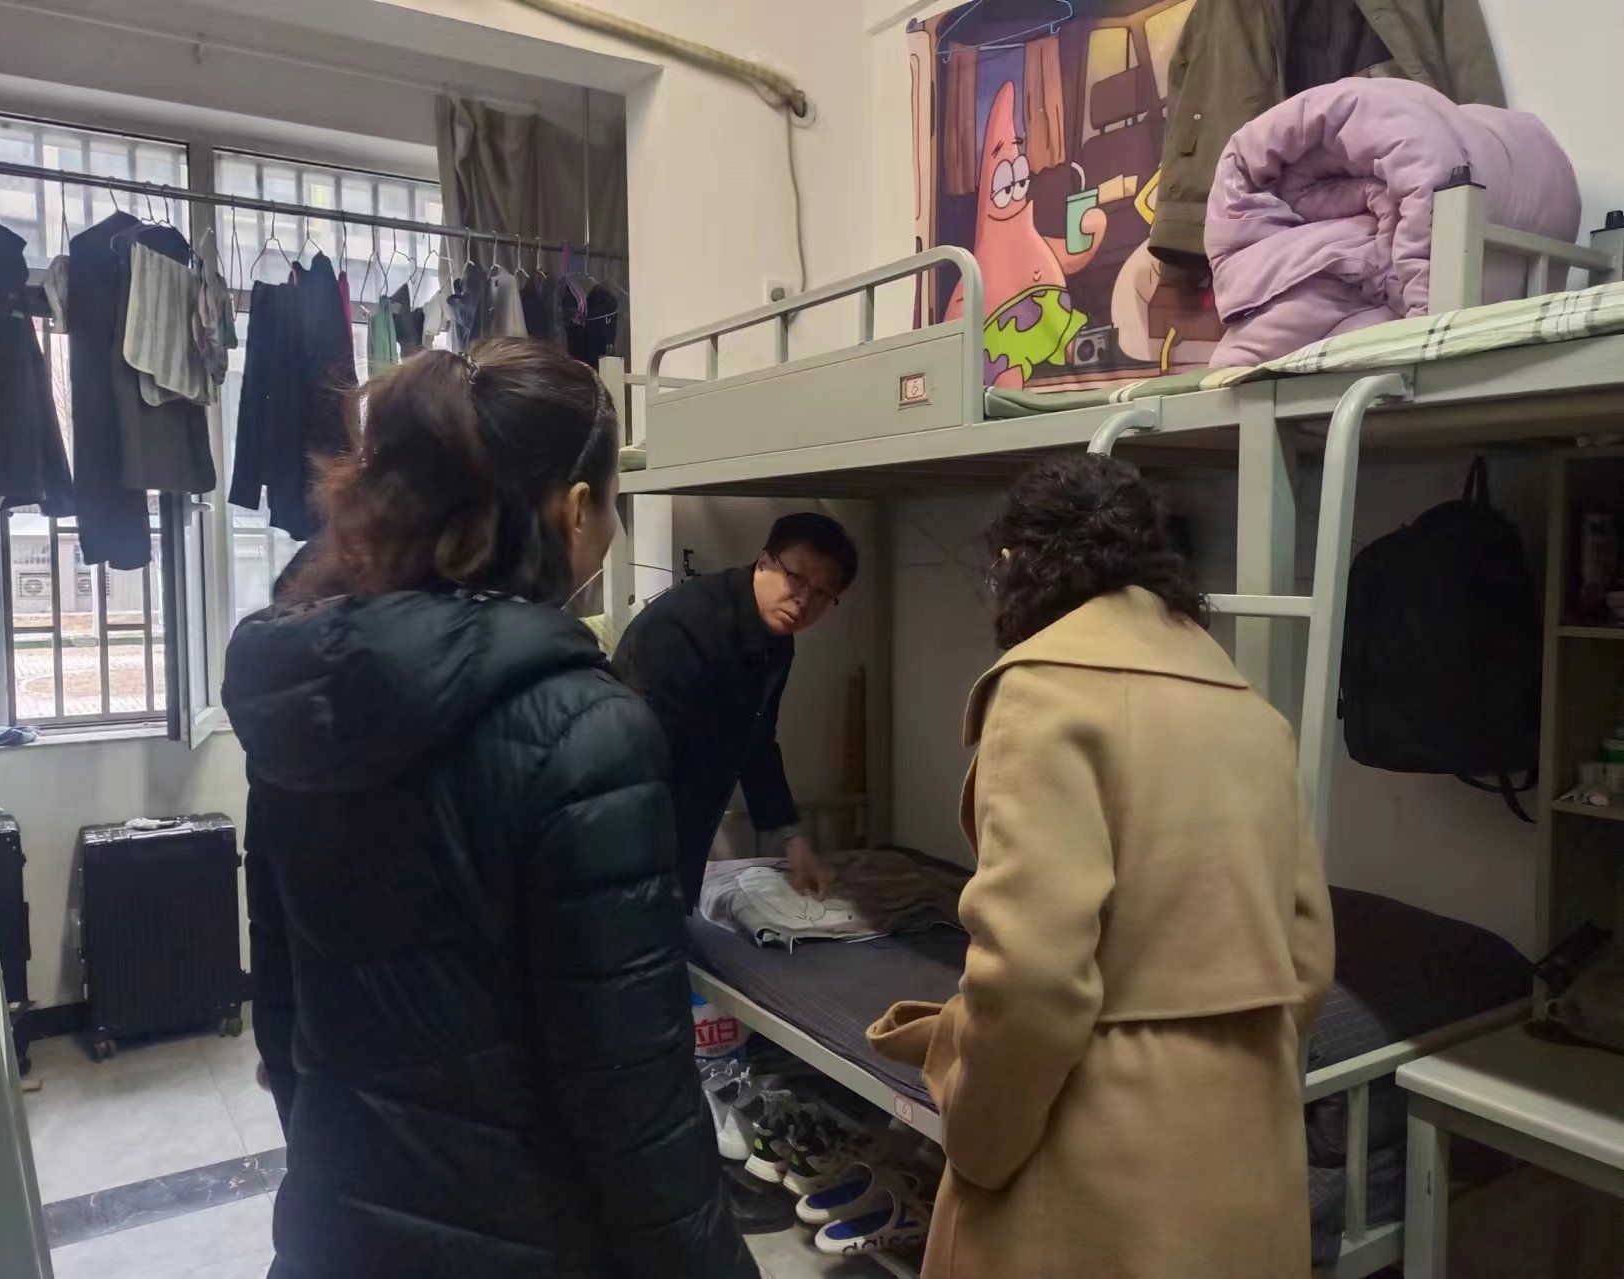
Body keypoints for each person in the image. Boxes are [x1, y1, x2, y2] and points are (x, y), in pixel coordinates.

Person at [222, 338, 755, 1279]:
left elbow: (282, 997)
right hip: (523, 1238)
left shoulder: (305, 692)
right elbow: (632, 1099)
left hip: (335, 1220)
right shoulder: (587, 731)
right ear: (576, 509)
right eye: (614, 501)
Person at [869, 453, 1334, 1279]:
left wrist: (976, 1139)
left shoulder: (1044, 695)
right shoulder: (1254, 714)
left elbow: (1033, 979)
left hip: (1091, 1162)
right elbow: (1307, 959)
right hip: (1245, 1150)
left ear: (1016, 564)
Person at [613, 512, 857, 908]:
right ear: (764, 561)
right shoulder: (684, 626)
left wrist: (793, 840)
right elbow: (641, 755)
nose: (803, 601)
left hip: (682, 821)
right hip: (634, 820)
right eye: (796, 578)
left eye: (821, 594)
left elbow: (756, 739)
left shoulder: (776, 640)